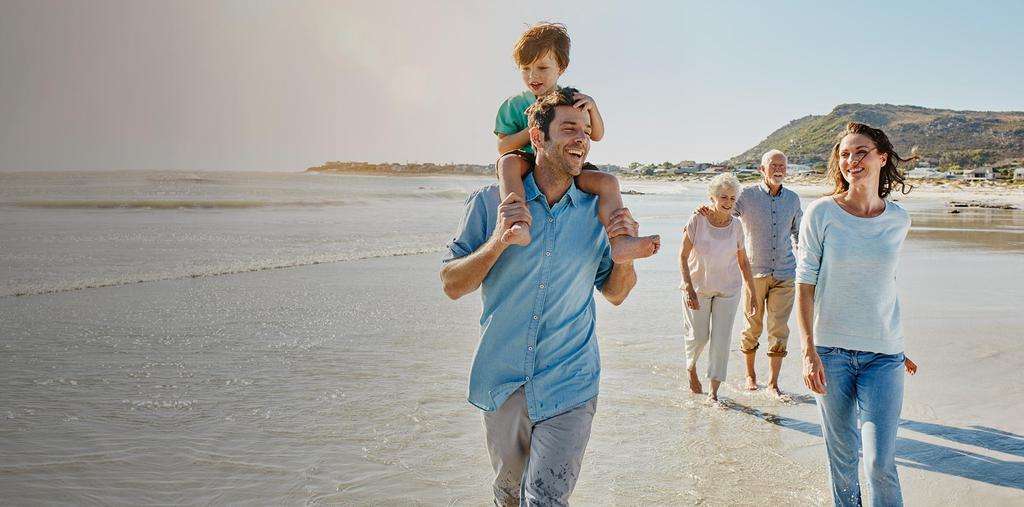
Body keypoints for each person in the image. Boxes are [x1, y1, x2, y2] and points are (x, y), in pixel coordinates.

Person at [441, 88, 642, 506]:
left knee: (547, 500)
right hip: (503, 382)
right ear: (537, 137)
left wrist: (624, 252)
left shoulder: (596, 209)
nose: (581, 139)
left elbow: (616, 293)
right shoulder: (489, 202)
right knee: (509, 496)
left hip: (571, 381)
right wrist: (499, 240)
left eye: (586, 131)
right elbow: (452, 284)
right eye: (569, 128)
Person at [796, 122, 919, 506]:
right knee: (844, 461)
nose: (852, 160)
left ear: (882, 158)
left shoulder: (899, 220)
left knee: (881, 462)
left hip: (884, 356)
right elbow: (805, 283)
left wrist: (896, 343)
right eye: (845, 154)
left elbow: (883, 283)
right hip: (830, 353)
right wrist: (808, 350)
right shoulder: (821, 213)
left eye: (861, 152)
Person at [494, 22, 659, 261]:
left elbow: (597, 135)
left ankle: (620, 242)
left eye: (541, 67)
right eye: (525, 68)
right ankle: (518, 224)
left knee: (608, 182)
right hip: (526, 160)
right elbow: (502, 147)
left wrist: (593, 107)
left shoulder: (571, 99)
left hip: (564, 164)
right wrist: (532, 128)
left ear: (561, 67)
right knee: (506, 163)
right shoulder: (513, 105)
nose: (533, 76)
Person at [679, 172, 757, 402]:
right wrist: (688, 286)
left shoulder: (737, 226)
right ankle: (691, 367)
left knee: (721, 340)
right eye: (723, 197)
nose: (728, 202)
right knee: (699, 337)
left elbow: (743, 262)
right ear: (712, 197)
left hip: (728, 290)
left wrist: (751, 292)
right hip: (698, 289)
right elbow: (682, 256)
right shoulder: (697, 220)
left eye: (732, 199)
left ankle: (713, 393)